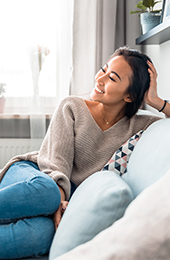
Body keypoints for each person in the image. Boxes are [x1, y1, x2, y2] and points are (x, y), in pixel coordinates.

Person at [0, 46, 170, 259]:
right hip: (35, 174)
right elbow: (55, 164)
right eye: (103, 70)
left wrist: (156, 101)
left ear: (129, 96)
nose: (100, 79)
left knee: (43, 235)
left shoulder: (140, 126)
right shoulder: (71, 106)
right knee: (47, 191)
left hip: (59, 196)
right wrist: (59, 201)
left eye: (112, 78)